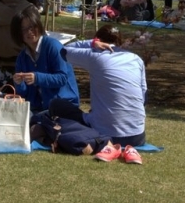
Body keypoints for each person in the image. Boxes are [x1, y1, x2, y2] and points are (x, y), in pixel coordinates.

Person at [51, 25, 147, 161]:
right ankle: (128, 148)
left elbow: (63, 51)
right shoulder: (136, 59)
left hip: (107, 134)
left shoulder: (94, 55)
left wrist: (91, 43)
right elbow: (143, 96)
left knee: (57, 105)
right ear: (120, 41)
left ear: (98, 40)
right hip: (138, 135)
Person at [11, 5, 80, 113]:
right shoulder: (22, 57)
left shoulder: (53, 46)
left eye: (32, 27)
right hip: (39, 107)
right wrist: (19, 83)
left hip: (63, 105)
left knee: (36, 127)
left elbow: (62, 78)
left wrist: (37, 78)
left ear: (39, 25)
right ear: (18, 34)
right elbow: (24, 93)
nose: (29, 32)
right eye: (24, 29)